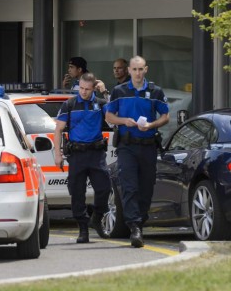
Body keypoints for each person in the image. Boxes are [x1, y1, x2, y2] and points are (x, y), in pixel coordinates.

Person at [105, 56, 169, 248]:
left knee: (146, 187)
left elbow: (165, 116)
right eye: (134, 69)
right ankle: (134, 226)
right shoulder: (119, 91)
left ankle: (140, 221)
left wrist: (152, 124)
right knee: (129, 186)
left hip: (148, 145)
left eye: (141, 69)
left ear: (146, 70)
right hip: (127, 147)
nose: (138, 73)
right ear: (129, 71)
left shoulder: (155, 91)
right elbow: (108, 115)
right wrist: (124, 121)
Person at [53, 72, 110, 243]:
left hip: (96, 154)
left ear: (94, 88)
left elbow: (114, 116)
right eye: (81, 88)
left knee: (104, 188)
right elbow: (58, 130)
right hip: (77, 155)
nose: (83, 92)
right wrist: (58, 154)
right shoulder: (70, 104)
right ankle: (83, 228)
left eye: (87, 89)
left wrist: (105, 93)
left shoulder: (100, 104)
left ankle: (97, 217)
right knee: (77, 193)